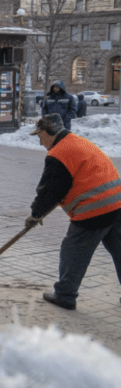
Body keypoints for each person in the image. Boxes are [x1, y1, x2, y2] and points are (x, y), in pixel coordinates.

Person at [26, 113, 121, 310]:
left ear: (48, 133)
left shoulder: (58, 153)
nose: (40, 142)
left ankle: (65, 295)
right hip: (117, 203)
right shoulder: (78, 142)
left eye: (40, 136)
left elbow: (50, 190)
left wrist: (36, 214)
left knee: (73, 252)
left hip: (94, 209)